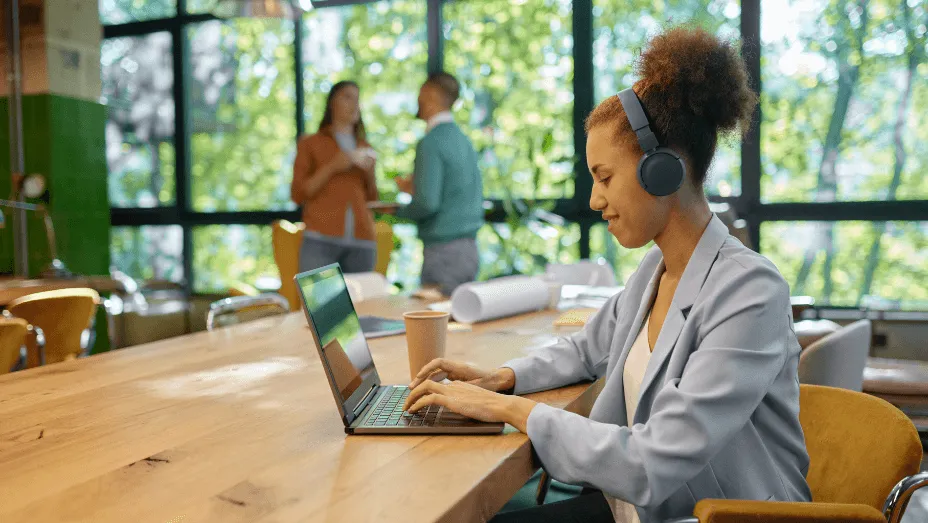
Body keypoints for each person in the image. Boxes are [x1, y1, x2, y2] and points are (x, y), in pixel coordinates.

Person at [402, 27, 812, 522]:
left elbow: (653, 461)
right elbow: (586, 347)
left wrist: (511, 410)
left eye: (604, 177)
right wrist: (503, 378)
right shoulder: (655, 271)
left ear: (663, 170)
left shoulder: (751, 292)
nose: (595, 200)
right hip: (635, 507)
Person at [394, 72, 484, 296]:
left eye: (421, 92)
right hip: (468, 250)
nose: (418, 98)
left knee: (437, 325)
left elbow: (427, 203)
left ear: (431, 94)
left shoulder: (431, 142)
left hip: (443, 253)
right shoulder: (463, 140)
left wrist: (397, 211)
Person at [291, 81, 379, 273]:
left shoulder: (365, 147)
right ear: (332, 103)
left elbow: (372, 199)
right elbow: (299, 194)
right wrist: (333, 166)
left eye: (357, 98)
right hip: (320, 240)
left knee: (363, 303)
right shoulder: (310, 144)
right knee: (318, 302)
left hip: (362, 241)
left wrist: (370, 172)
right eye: (347, 97)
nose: (354, 104)